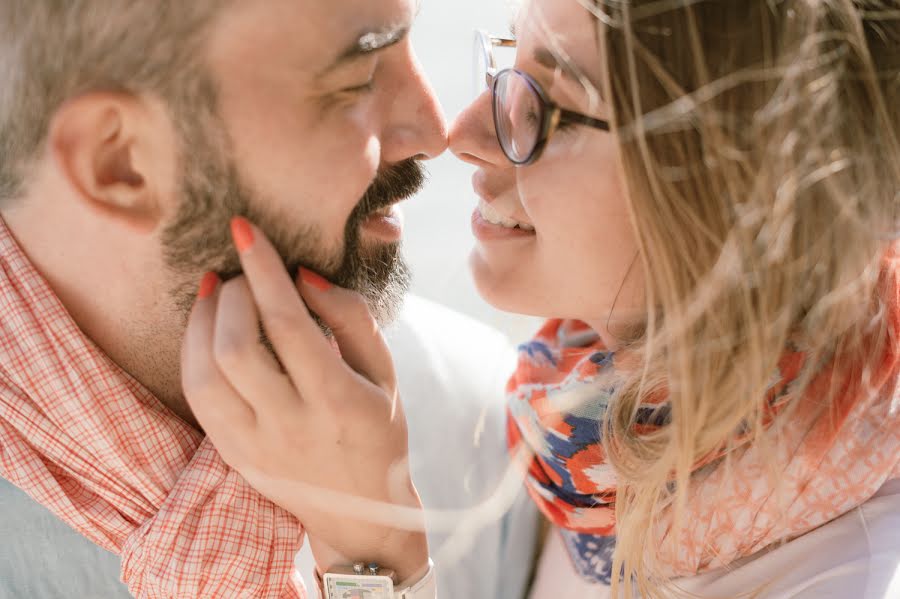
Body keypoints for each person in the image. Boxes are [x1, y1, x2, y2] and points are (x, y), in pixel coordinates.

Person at [183, 0, 900, 597]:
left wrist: (373, 553)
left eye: (547, 108)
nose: (461, 134)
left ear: (742, 188)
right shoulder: (590, 428)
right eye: (505, 68)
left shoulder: (840, 572)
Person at [0, 0, 538, 597]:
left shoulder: (482, 425)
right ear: (121, 163)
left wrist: (376, 557)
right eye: (358, 77)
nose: (436, 132)